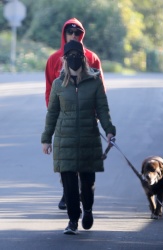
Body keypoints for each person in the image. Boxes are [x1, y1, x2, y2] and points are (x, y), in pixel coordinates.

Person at [41, 40, 116, 235]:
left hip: (88, 139)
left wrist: (109, 130)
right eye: (70, 56)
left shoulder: (94, 82)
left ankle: (88, 208)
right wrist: (46, 138)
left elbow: (103, 109)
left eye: (77, 55)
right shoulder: (58, 84)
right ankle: (73, 220)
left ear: (83, 58)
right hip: (64, 141)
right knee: (69, 184)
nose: (74, 59)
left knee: (87, 182)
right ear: (65, 59)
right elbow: (52, 113)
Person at [45, 17, 104, 210]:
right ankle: (68, 194)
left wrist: (96, 114)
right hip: (64, 117)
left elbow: (99, 89)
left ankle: (85, 199)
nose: (73, 36)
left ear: (82, 35)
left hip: (87, 118)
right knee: (66, 160)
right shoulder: (54, 59)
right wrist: (54, 114)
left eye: (77, 33)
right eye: (70, 32)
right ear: (64, 34)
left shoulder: (92, 58)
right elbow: (49, 90)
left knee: (84, 162)